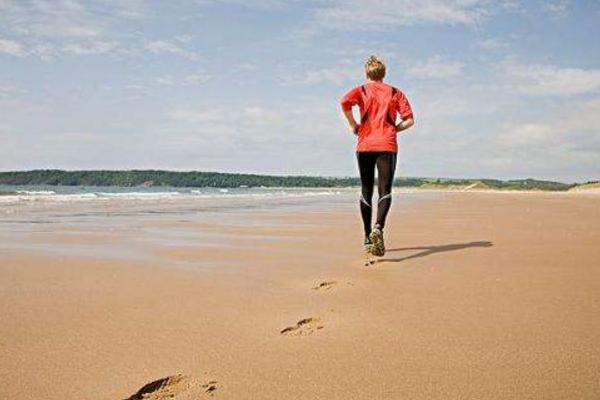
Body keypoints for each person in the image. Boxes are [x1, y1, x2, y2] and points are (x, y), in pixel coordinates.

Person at [340, 55, 414, 257]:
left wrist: (354, 125)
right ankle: (378, 228)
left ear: (367, 73)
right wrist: (393, 129)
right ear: (384, 73)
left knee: (366, 189)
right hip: (387, 145)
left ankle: (366, 238)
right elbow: (409, 120)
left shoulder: (361, 90)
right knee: (384, 190)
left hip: (364, 144)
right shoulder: (395, 92)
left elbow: (344, 103)